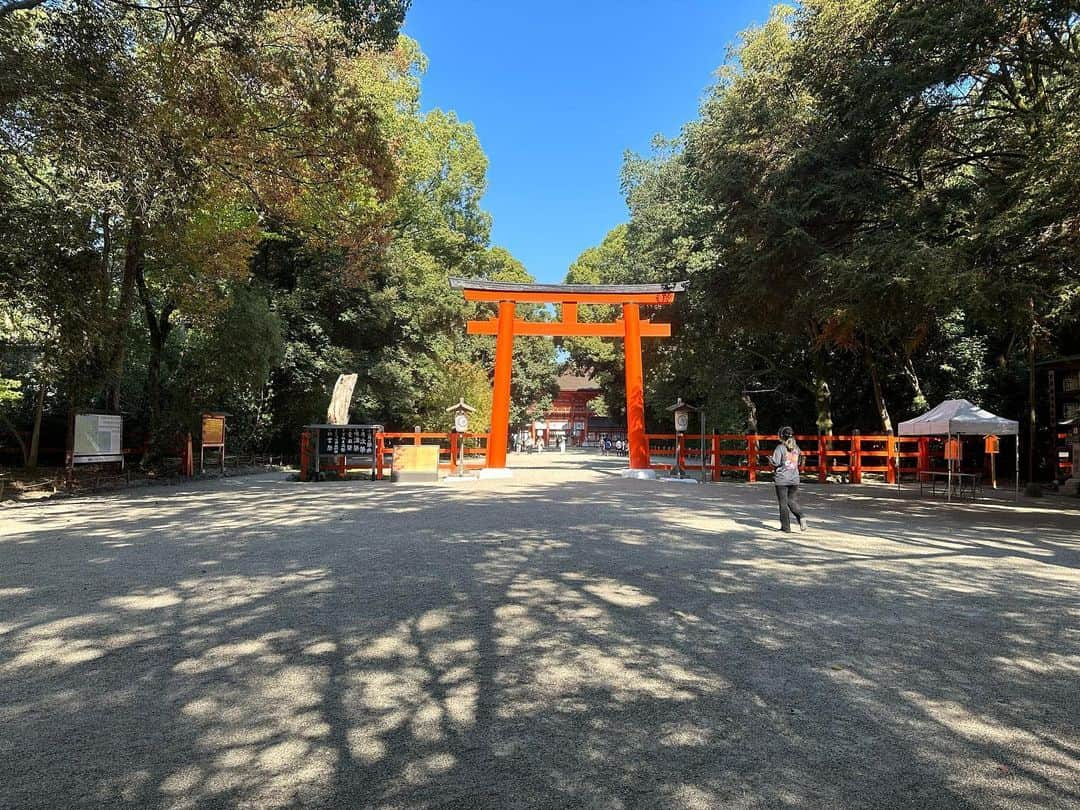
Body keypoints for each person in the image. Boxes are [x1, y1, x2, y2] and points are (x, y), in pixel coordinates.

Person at [771, 426, 807, 532]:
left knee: (783, 503)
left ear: (781, 436)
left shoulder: (780, 448)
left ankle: (786, 527)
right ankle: (801, 516)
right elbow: (799, 461)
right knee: (792, 501)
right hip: (794, 479)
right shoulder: (796, 448)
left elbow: (776, 463)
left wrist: (770, 461)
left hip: (782, 479)